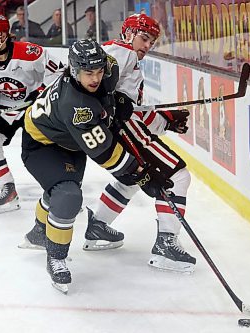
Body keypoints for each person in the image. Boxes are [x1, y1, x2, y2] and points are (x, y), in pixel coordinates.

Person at [20, 39, 172, 292]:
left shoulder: (107, 67)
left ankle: (39, 230)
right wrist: (142, 174)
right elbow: (106, 154)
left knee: (57, 190)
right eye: (88, 73)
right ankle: (56, 257)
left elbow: (113, 85)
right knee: (68, 196)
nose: (95, 78)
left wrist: (119, 99)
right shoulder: (76, 106)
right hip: (42, 144)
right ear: (74, 70)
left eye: (99, 72)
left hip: (70, 141)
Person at [83, 13, 197, 273]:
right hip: (124, 131)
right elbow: (104, 94)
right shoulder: (122, 51)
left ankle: (98, 225)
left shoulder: (120, 55)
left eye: (151, 42)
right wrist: (113, 102)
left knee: (130, 178)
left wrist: (164, 121)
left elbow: (130, 108)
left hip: (117, 131)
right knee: (177, 177)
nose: (146, 46)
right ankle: (166, 245)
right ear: (128, 33)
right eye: (143, 38)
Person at [0, 14, 62, 214]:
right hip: (6, 110)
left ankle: (60, 193)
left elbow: (59, 73)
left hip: (34, 108)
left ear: (3, 35)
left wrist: (40, 93)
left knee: (36, 152)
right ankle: (7, 190)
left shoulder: (30, 52)